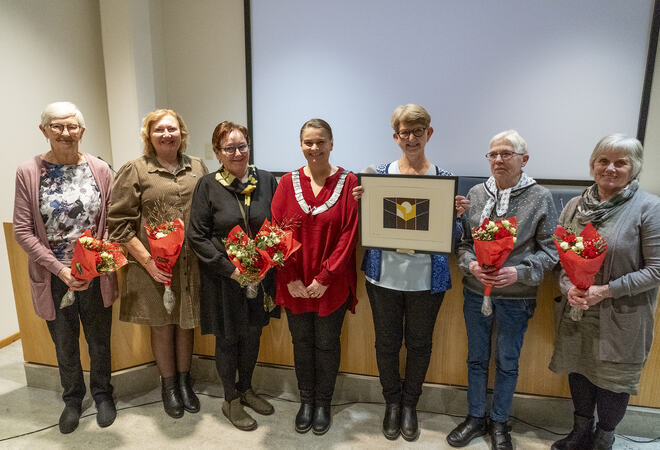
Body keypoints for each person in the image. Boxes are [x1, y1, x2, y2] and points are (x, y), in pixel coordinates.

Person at [356, 104, 463, 441]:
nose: (412, 138)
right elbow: (362, 228)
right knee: (386, 343)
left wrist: (457, 217)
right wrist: (359, 203)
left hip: (426, 280)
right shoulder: (378, 174)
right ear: (396, 136)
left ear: (429, 134)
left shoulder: (443, 180)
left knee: (419, 344)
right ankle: (391, 402)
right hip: (383, 277)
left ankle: (410, 405)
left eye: (419, 131)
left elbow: (453, 240)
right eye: (406, 132)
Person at [449, 130, 558, 450]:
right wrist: (470, 264)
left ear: (524, 159)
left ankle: (499, 422)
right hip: (474, 291)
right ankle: (475, 417)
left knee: (508, 361)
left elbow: (551, 251)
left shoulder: (540, 197)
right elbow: (466, 243)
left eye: (506, 154)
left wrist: (519, 272)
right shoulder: (476, 193)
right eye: (493, 154)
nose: (498, 159)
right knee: (477, 359)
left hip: (517, 296)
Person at [549, 135, 660, 450]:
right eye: (603, 160)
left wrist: (606, 291)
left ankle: (604, 437)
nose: (610, 168)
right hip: (578, 311)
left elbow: (657, 269)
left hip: (622, 315)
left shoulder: (650, 208)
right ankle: (581, 431)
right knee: (580, 369)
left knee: (612, 380)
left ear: (634, 167)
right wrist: (570, 287)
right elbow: (562, 262)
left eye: (620, 162)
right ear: (593, 164)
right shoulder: (573, 206)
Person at [13, 102, 117, 433]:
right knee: (64, 341)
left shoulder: (100, 169)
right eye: (57, 126)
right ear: (44, 131)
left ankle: (103, 394)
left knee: (100, 338)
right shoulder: (28, 172)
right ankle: (72, 398)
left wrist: (95, 261)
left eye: (72, 126)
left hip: (96, 275)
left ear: (82, 131)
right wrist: (60, 269)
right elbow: (22, 230)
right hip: (54, 275)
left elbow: (113, 219)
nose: (66, 133)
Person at [108, 109, 208, 418]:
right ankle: (169, 386)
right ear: (149, 136)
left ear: (182, 133)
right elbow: (119, 225)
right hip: (152, 266)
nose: (167, 135)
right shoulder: (136, 170)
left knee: (186, 323)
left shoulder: (198, 167)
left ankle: (185, 382)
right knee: (163, 326)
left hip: (191, 264)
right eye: (160, 130)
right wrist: (150, 262)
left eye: (172, 129)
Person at [270, 118, 359, 435]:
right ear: (301, 145)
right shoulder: (286, 183)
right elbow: (277, 233)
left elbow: (349, 235)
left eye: (320, 142)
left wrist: (325, 277)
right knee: (302, 343)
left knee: (326, 344)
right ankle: (306, 402)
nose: (314, 148)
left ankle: (323, 403)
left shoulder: (349, 183)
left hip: (329, 285)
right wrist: (290, 275)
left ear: (331, 144)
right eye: (308, 142)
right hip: (294, 281)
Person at [187, 121, 277, 431]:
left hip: (260, 276)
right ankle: (230, 400)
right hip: (224, 278)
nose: (237, 153)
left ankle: (247, 388)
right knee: (228, 339)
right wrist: (231, 269)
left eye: (242, 146)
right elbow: (196, 235)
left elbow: (276, 226)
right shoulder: (208, 185)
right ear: (217, 152)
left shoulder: (266, 180)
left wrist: (266, 262)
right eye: (229, 148)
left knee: (253, 334)